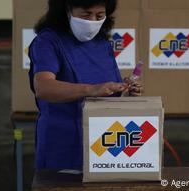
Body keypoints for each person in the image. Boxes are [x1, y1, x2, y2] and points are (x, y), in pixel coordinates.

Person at [28, 0, 143, 170]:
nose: (92, 22)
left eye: (99, 16)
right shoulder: (48, 42)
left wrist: (126, 90)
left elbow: (109, 89)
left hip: (105, 142)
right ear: (67, 10)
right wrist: (91, 90)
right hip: (63, 142)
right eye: (86, 15)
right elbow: (43, 87)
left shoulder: (102, 43)